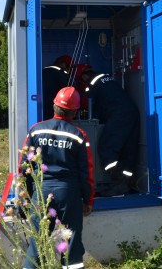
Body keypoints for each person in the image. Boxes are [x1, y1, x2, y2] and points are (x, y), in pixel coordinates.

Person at [20, 86, 95, 269]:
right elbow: (87, 171)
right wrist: (88, 199)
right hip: (68, 194)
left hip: (40, 191)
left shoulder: (35, 130)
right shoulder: (78, 135)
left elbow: (24, 167)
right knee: (70, 244)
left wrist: (26, 198)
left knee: (37, 243)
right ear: (74, 111)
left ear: (54, 105)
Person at [78, 67, 140, 196]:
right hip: (132, 112)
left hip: (118, 115)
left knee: (106, 149)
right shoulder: (106, 76)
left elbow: (85, 103)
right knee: (127, 151)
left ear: (84, 76)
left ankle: (119, 181)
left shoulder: (93, 83)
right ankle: (126, 183)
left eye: (81, 80)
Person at [41, 55, 72, 120]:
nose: (69, 70)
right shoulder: (60, 73)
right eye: (70, 67)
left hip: (40, 106)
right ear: (63, 64)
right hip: (54, 107)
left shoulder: (42, 71)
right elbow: (68, 91)